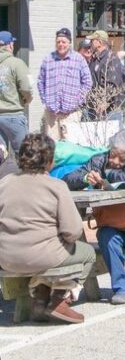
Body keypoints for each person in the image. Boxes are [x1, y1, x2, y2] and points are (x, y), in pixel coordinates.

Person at [0, 133, 95, 324]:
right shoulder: (57, 186)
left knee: (49, 252)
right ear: (50, 161)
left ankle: (41, 299)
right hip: (45, 257)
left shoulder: (3, 183)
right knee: (88, 253)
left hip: (6, 258)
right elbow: (73, 231)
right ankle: (61, 298)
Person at [63, 129, 125, 305]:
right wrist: (86, 177)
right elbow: (67, 180)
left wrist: (106, 175)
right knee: (105, 235)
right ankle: (121, 288)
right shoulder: (99, 159)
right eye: (113, 155)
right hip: (112, 221)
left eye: (121, 158)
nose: (115, 161)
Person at [37, 27, 92, 141]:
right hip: (52, 114)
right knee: (52, 148)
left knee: (71, 145)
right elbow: (40, 82)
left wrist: (78, 100)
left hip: (71, 114)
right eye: (58, 42)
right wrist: (45, 100)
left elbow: (87, 82)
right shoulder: (48, 59)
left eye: (64, 42)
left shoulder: (79, 59)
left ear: (69, 43)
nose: (61, 44)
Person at [0, 30, 33, 156]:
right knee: (25, 154)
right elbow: (27, 88)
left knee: (0, 155)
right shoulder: (17, 63)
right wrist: (26, 100)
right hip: (13, 114)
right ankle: (24, 176)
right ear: (9, 45)